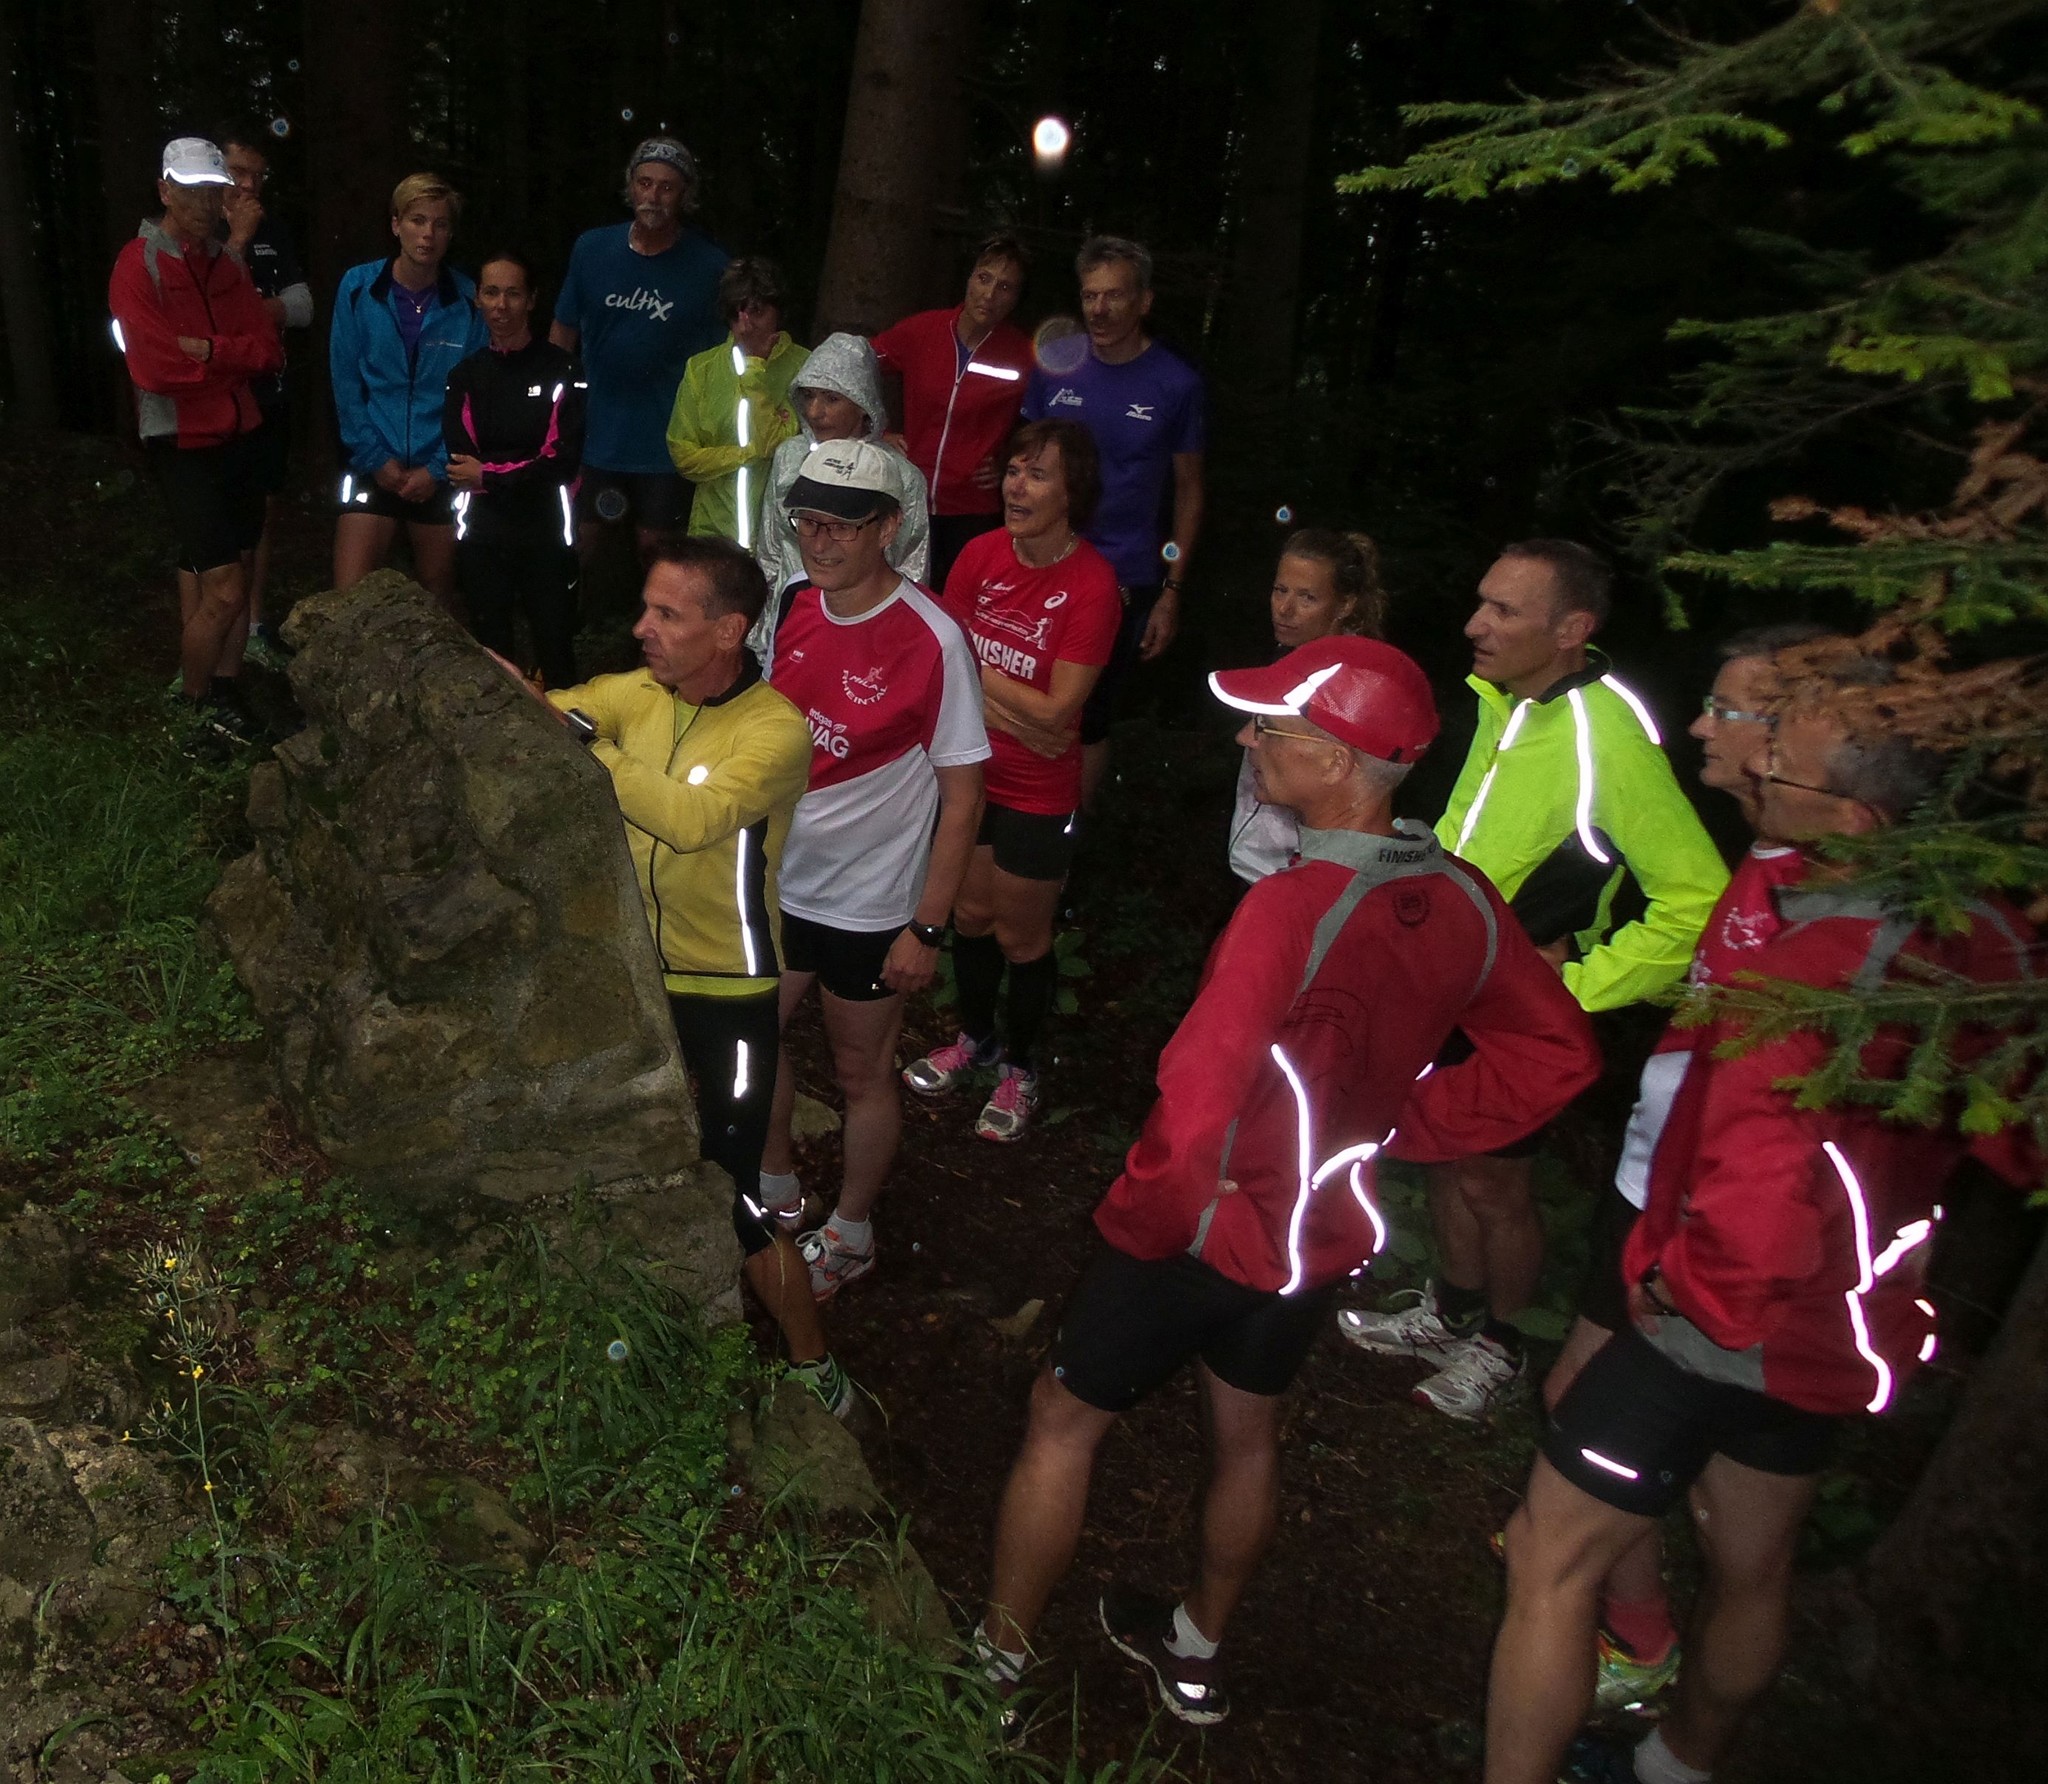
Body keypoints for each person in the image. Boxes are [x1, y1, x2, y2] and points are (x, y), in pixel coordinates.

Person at [975, 636, 1600, 1729]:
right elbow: (1556, 1053)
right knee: (1247, 1431)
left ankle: (993, 1664)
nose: (1245, 739)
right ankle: (1196, 1653)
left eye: (1270, 728)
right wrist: (1393, 1131)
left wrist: (1147, 1220)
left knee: (1061, 1418)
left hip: (1203, 1226)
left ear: (1344, 758)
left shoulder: (1285, 907)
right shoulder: (1458, 896)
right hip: (1317, 1230)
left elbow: (1197, 1088)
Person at [1487, 681, 2038, 1784]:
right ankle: (1676, 1765)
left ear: (1857, 819)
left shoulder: (1812, 978)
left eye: (1781, 760)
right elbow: (2016, 1135)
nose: (1757, 761)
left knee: (1549, 1557)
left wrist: (1674, 1285)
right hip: (1846, 1324)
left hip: (1723, 1313)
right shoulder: (1976, 937)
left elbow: (1758, 1179)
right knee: (1755, 1560)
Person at [1338, 540, 1728, 1421]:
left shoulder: (1605, 734)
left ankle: (1504, 1346)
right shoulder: (1506, 704)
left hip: (1519, 1010)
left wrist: (1575, 985)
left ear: (1571, 630)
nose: (1476, 624)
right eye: (1482, 602)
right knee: (1439, 1148)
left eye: (1504, 611)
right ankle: (1451, 1310)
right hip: (1448, 982)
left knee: (1495, 1183)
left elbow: (1699, 900)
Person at [1538, 621, 1838, 1718]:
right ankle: (1652, 1649)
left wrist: (1695, 1273)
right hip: (1657, 1188)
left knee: (1718, 1529)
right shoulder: (1761, 861)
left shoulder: (1829, 900)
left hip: (1724, 1242)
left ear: (1794, 739)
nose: (1699, 724)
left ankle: (1647, 1674)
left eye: (1727, 709)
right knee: (1735, 1524)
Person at [508, 537, 856, 1417]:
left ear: (729, 630)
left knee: (734, 1188)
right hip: (633, 973)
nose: (642, 629)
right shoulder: (637, 698)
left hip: (728, 992)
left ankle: (813, 1364)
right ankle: (656, 1333)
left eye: (668, 614)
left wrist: (591, 748)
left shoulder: (775, 729)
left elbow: (692, 820)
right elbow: (544, 710)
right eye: (646, 608)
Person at [754, 440, 987, 1302]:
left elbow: (965, 794)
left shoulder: (935, 639)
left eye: (844, 526)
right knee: (751, 1034)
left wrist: (927, 924)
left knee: (862, 1074)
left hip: (868, 903)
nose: (821, 542)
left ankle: (851, 1231)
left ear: (888, 527)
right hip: (782, 880)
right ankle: (776, 1185)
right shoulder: (792, 604)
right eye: (808, 522)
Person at [896, 421, 1121, 1151]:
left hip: (1035, 791)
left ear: (1072, 492)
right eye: (1015, 471)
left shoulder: (1091, 586)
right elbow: (943, 669)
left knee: (1022, 937)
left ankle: (1021, 1068)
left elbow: (1061, 718)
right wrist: (1019, 703)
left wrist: (982, 681)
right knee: (967, 918)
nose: (1018, 486)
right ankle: (975, 1041)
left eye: (1038, 475)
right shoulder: (979, 555)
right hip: (967, 776)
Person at [108, 135, 282, 752]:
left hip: (242, 435)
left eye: (212, 190)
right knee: (225, 589)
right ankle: (191, 704)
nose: (203, 203)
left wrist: (211, 350)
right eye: (188, 190)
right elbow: (154, 368)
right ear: (163, 190)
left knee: (240, 566)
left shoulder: (228, 265)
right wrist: (224, 360)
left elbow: (267, 350)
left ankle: (227, 693)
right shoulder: (140, 263)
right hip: (182, 443)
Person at [1021, 235, 1204, 809]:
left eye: (1115, 296)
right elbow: (1022, 458)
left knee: (1089, 715)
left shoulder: (1176, 384)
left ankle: (1064, 835)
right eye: (1090, 296)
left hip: (1122, 571)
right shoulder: (1058, 363)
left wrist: (1172, 591)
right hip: (1041, 560)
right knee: (1016, 694)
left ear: (1144, 301)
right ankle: (1006, 815)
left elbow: (1189, 492)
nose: (1099, 310)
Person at [550, 138, 728, 559]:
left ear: (685, 194)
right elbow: (562, 334)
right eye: (645, 183)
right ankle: (586, 621)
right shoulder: (592, 249)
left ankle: (657, 624)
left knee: (658, 546)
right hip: (597, 432)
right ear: (630, 187)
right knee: (586, 538)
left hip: (667, 437)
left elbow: (723, 355)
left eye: (667, 187)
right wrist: (553, 414)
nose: (653, 196)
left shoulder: (710, 266)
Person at [329, 173, 488, 605]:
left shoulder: (468, 300)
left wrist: (437, 469)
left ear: (451, 233)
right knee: (351, 597)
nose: (428, 234)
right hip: (373, 460)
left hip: (439, 468)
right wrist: (375, 459)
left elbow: (472, 395)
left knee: (439, 592)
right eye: (418, 221)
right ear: (396, 223)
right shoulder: (359, 288)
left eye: (440, 225)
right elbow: (346, 381)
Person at [443, 250, 585, 689]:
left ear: (531, 300)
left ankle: (570, 739)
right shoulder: (465, 374)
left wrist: (490, 476)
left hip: (544, 530)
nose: (501, 305)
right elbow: (460, 456)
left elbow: (559, 460)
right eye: (491, 293)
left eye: (512, 293)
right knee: (493, 649)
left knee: (555, 645)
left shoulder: (563, 369)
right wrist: (503, 473)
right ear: (477, 300)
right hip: (483, 533)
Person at [750, 333, 930, 651]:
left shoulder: (899, 476)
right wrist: (764, 633)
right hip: (794, 622)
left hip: (864, 631)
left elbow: (911, 567)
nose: (815, 411)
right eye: (809, 396)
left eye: (832, 399)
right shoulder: (790, 457)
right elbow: (771, 549)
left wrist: (891, 643)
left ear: (863, 404)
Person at [872, 234, 1033, 588]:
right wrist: (875, 433)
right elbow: (852, 366)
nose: (990, 295)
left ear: (1017, 297)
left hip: (975, 513)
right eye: (984, 278)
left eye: (1005, 287)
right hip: (908, 499)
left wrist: (1013, 458)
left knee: (955, 607)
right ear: (969, 277)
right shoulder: (922, 331)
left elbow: (1048, 422)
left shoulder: (1023, 355)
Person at [1228, 529, 1388, 884]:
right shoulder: (1291, 655)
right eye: (1280, 590)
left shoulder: (1348, 686)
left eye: (1307, 597)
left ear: (1345, 604)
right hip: (1254, 863)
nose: (1285, 609)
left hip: (1296, 873)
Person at [212, 121, 313, 669]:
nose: (249, 185)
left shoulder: (276, 230)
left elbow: (302, 305)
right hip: (215, 403)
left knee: (262, 514)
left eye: (258, 176)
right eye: (238, 172)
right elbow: (209, 309)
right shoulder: (200, 231)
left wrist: (258, 312)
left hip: (269, 397)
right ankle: (213, 637)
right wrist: (238, 245)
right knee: (217, 518)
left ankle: (251, 626)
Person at [664, 257, 807, 547]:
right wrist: (748, 455)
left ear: (778, 311)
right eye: (736, 313)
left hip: (781, 538)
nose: (745, 325)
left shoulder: (806, 367)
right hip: (712, 534)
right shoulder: (701, 369)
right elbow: (683, 455)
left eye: (756, 311)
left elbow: (774, 443)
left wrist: (754, 367)